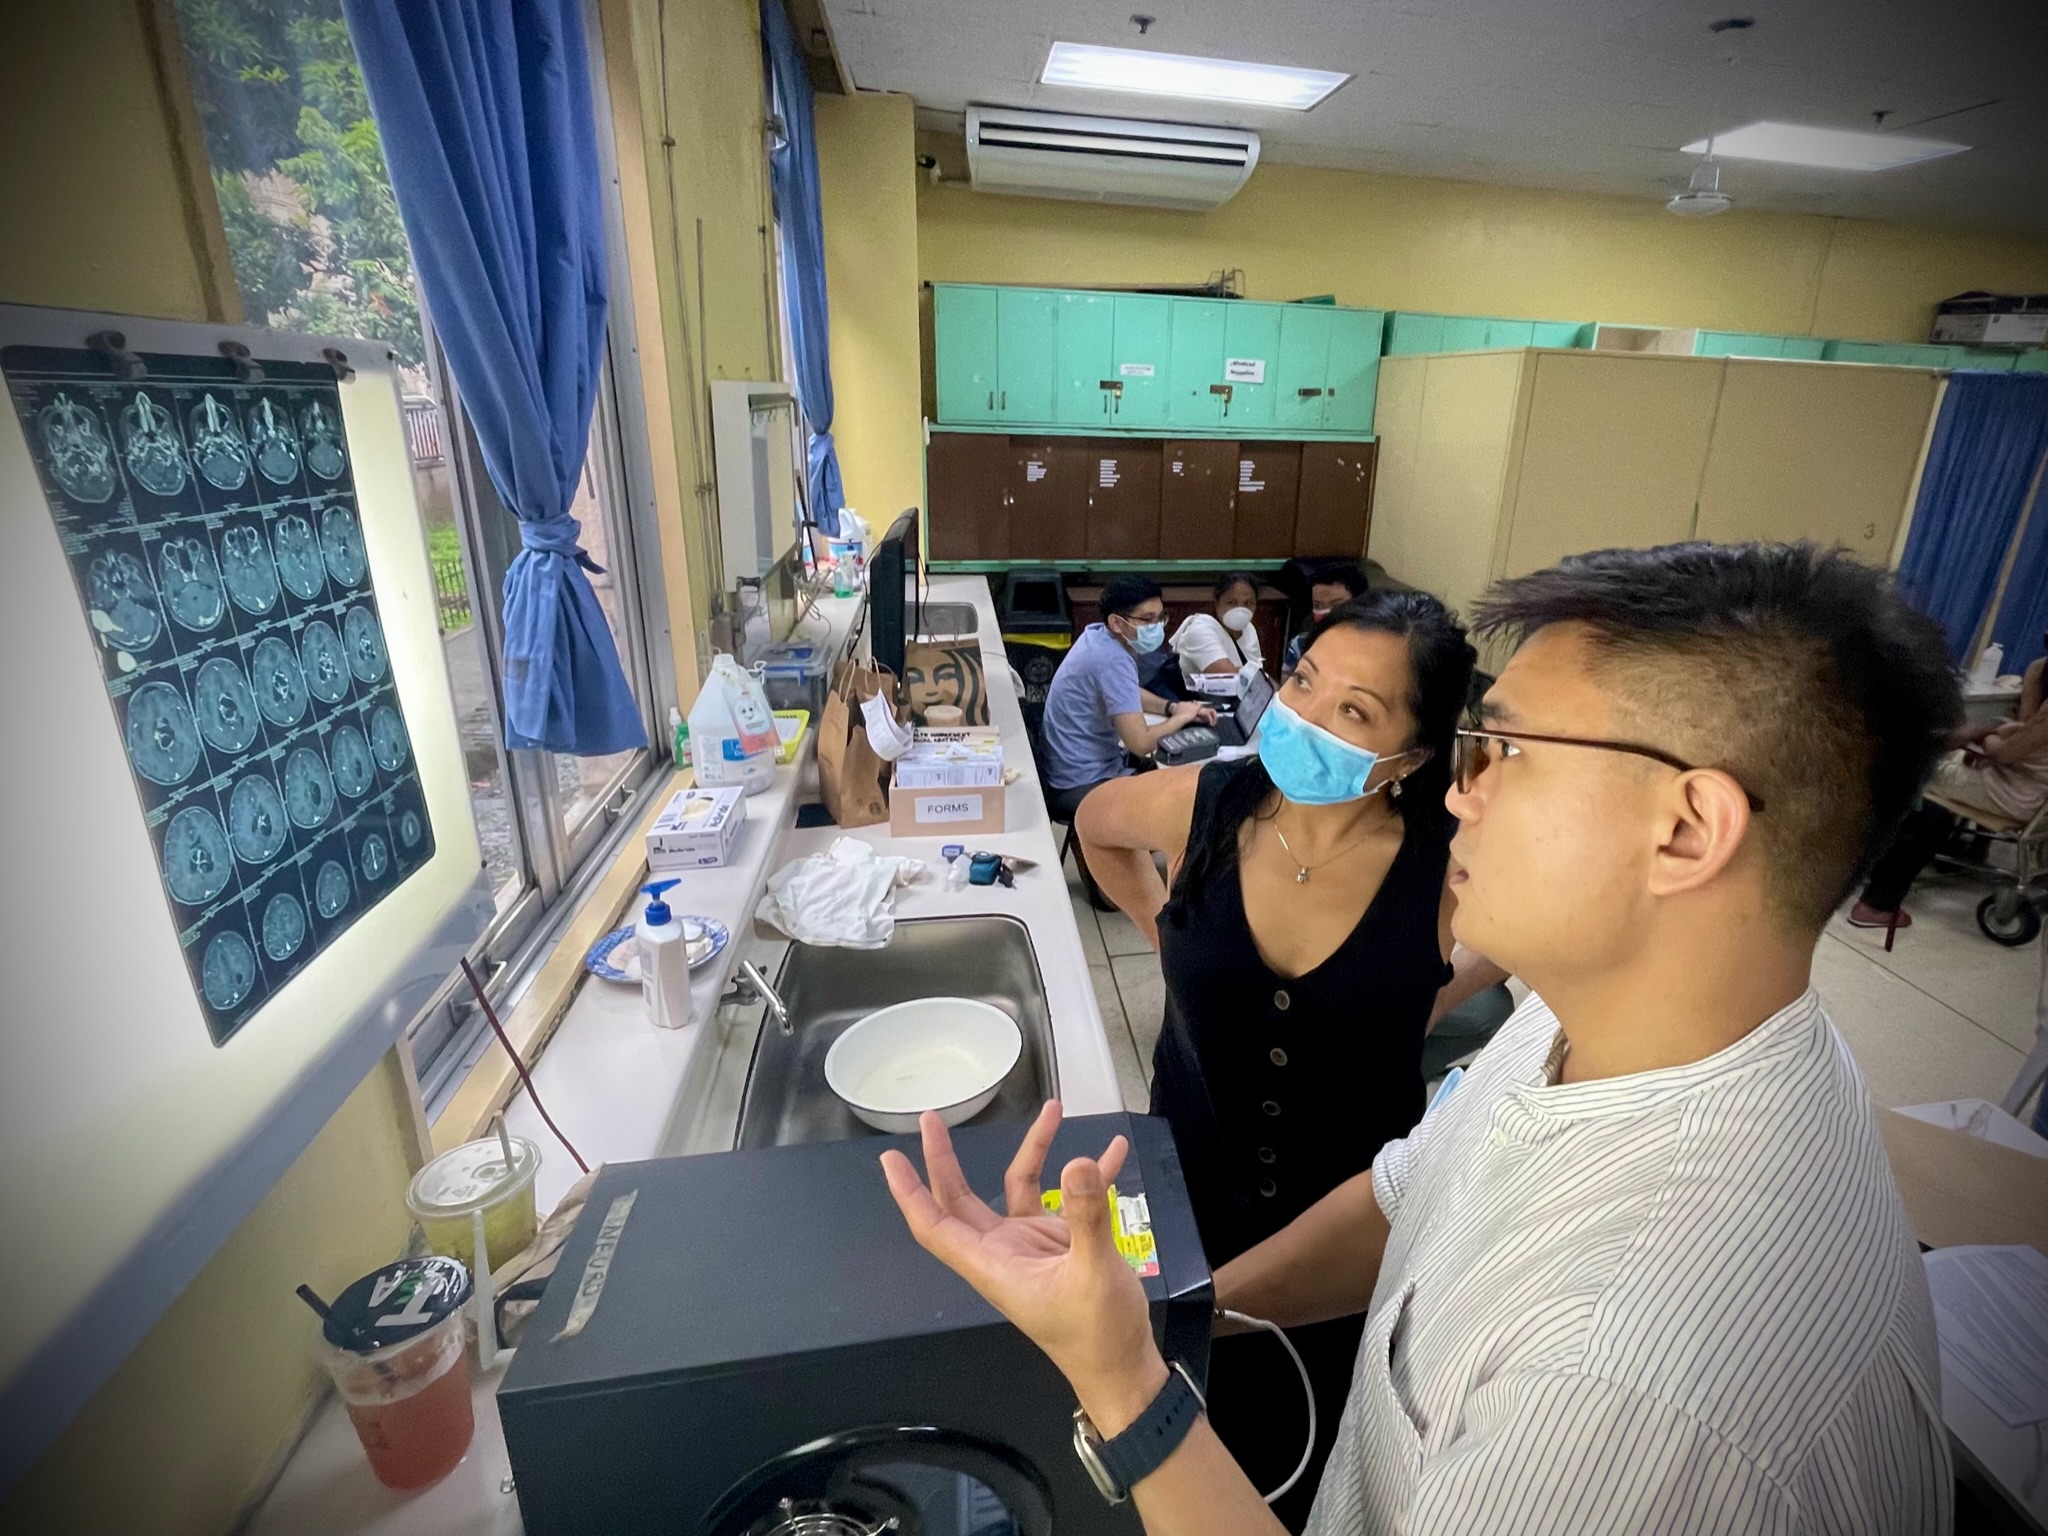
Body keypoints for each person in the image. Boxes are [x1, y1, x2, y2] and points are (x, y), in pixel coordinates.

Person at [883, 542, 1959, 1536]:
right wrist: (1174, 1324)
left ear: (1683, 829)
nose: (1462, 790)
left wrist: (1121, 1383)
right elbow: (1405, 1191)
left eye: (1502, 752)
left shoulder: (1624, 1392)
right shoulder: (1588, 1030)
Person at [1073, 590, 1499, 1530]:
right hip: (1183, 1182)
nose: (1303, 716)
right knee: (1159, 1435)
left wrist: (1433, 993)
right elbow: (1097, 825)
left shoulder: (1446, 859)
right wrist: (1163, 925)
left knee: (1302, 1457)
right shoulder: (1209, 805)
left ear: (1411, 758)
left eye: (1353, 712)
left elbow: (1520, 939)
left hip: (1345, 1236)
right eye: (1303, 682)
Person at [1851, 638, 2048, 930]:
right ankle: (1877, 883)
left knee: (1918, 774)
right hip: (2024, 786)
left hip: (2014, 791)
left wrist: (1983, 737)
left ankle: (1875, 898)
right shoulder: (2039, 673)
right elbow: (2024, 733)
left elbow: (2007, 751)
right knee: (1937, 769)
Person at [1041, 576, 1215, 898]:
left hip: (1068, 772)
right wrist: (1182, 718)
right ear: (1117, 622)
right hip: (1082, 783)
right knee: (1186, 793)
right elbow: (1141, 743)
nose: (1156, 627)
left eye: (1160, 618)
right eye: (1147, 620)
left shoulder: (1097, 638)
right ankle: (1108, 854)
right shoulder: (1112, 657)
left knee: (1168, 777)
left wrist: (1171, 706)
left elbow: (1124, 692)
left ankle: (1111, 846)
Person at [1170, 572, 1266, 687]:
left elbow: (1256, 674)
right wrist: (1269, 684)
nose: (1240, 610)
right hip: (1195, 701)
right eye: (1231, 602)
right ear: (1217, 602)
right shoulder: (1200, 629)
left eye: (1248, 603)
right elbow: (1230, 676)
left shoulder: (1249, 629)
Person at [1283, 561, 1366, 673]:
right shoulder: (1300, 645)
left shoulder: (1372, 649)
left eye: (1337, 605)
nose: (1327, 613)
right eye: (1318, 605)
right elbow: (1286, 686)